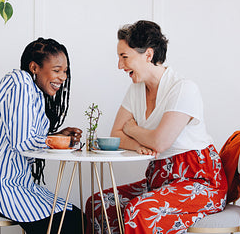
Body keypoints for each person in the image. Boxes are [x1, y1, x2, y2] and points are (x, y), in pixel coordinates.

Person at [85, 21, 228, 234]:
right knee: (100, 204)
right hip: (159, 181)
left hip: (199, 182)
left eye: (124, 57)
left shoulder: (183, 89)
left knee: (139, 211)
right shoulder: (135, 90)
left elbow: (160, 142)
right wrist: (139, 142)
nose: (119, 66)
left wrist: (132, 129)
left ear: (148, 55)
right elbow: (115, 134)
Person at [0, 37, 83, 234]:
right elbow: (23, 142)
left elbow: (22, 137)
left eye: (65, 71)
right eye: (56, 70)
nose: (62, 77)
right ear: (34, 67)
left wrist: (56, 136)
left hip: (9, 180)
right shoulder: (19, 82)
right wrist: (56, 141)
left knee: (76, 218)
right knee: (69, 223)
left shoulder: (35, 95)